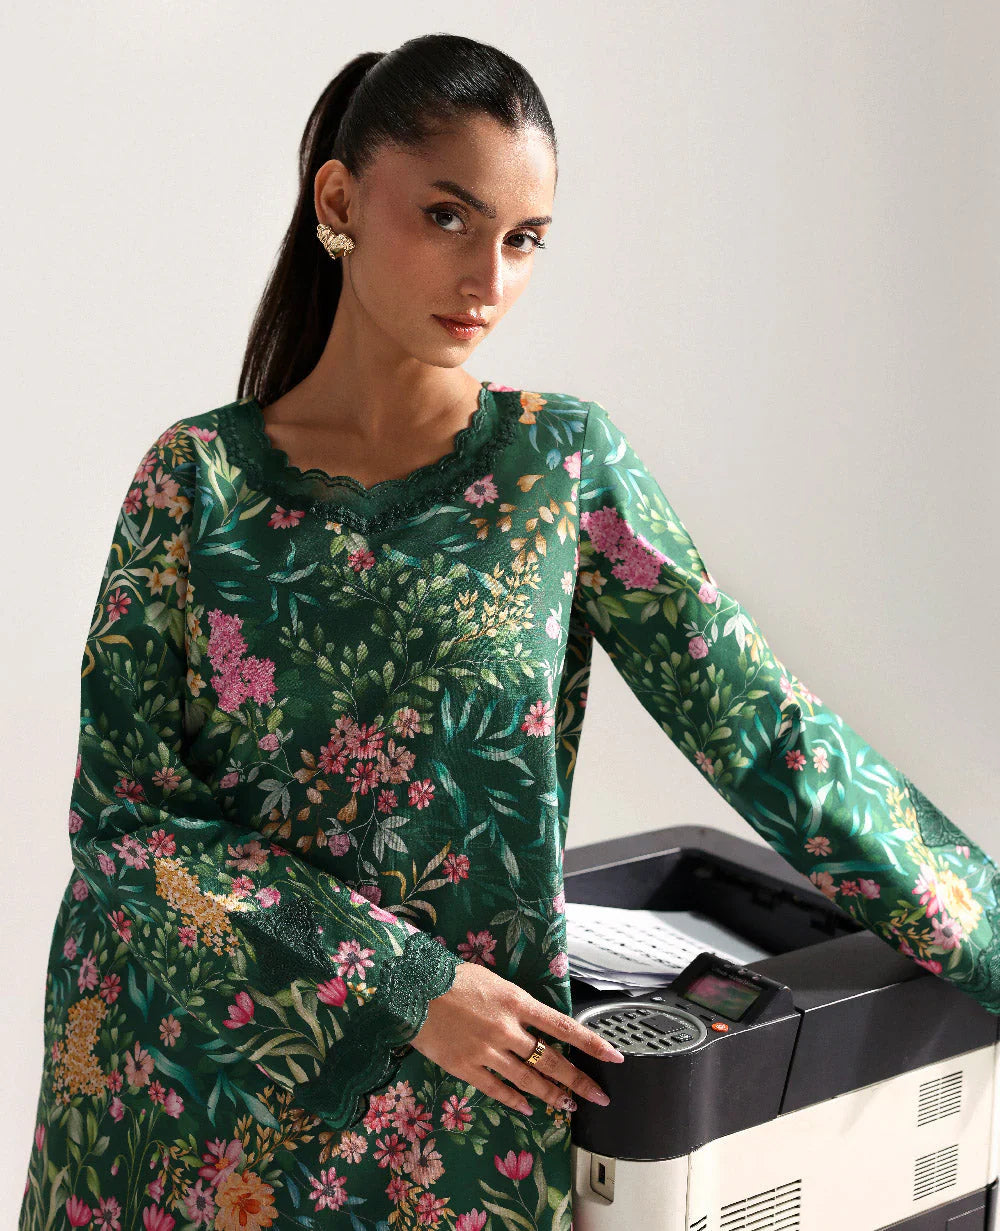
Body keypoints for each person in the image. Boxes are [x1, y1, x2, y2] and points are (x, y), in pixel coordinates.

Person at [17, 30, 999, 1231]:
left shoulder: (557, 465)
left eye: (525, 238)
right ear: (339, 201)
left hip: (438, 1124)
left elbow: (762, 726)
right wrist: (411, 981)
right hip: (177, 1087)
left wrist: (990, 934)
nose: (487, 276)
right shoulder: (195, 480)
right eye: (447, 217)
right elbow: (124, 824)